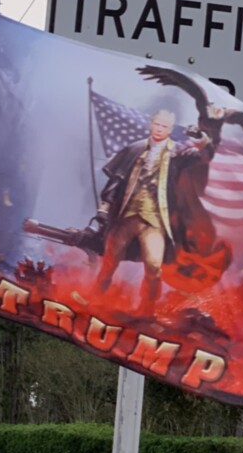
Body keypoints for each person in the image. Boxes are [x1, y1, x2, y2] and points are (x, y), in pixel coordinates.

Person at [92, 109, 216, 310]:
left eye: (165, 126)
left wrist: (200, 138)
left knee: (154, 267)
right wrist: (105, 207)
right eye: (157, 124)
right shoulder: (135, 149)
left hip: (155, 221)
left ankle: (146, 307)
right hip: (126, 216)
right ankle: (95, 298)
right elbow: (116, 180)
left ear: (170, 129)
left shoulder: (177, 152)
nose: (160, 129)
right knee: (109, 262)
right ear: (151, 124)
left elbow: (206, 155)